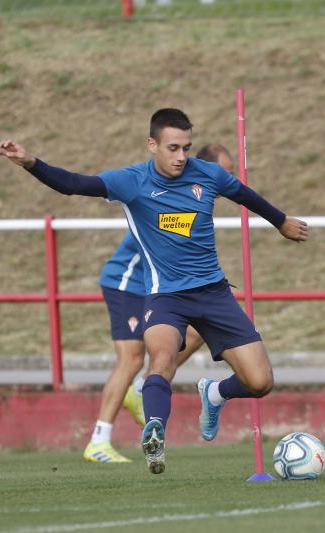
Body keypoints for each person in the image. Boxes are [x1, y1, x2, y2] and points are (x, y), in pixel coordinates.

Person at [0, 108, 308, 474]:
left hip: (214, 293)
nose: (181, 156)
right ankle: (155, 431)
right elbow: (74, 184)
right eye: (173, 148)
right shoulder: (132, 181)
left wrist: (281, 221)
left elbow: (245, 195)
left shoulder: (208, 174)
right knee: (161, 359)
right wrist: (31, 162)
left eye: (186, 148)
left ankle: (214, 393)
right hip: (166, 297)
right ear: (152, 145)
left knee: (260, 382)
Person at [83, 144, 234, 463]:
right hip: (127, 283)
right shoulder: (172, 198)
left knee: (197, 331)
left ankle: (142, 388)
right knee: (131, 359)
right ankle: (98, 440)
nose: (229, 180)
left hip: (158, 289)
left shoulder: (197, 200)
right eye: (225, 172)